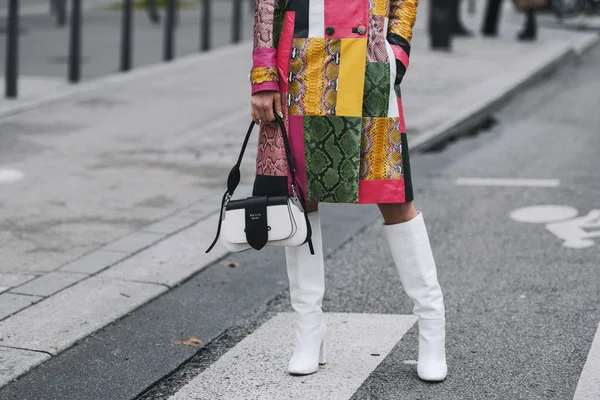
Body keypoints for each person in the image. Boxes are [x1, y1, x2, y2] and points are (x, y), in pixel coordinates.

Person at [249, 0, 447, 382]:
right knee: (301, 199)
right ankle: (309, 333)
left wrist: (396, 53)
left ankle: (432, 328)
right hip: (301, 60)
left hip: (370, 59)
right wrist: (263, 78)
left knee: (394, 198)